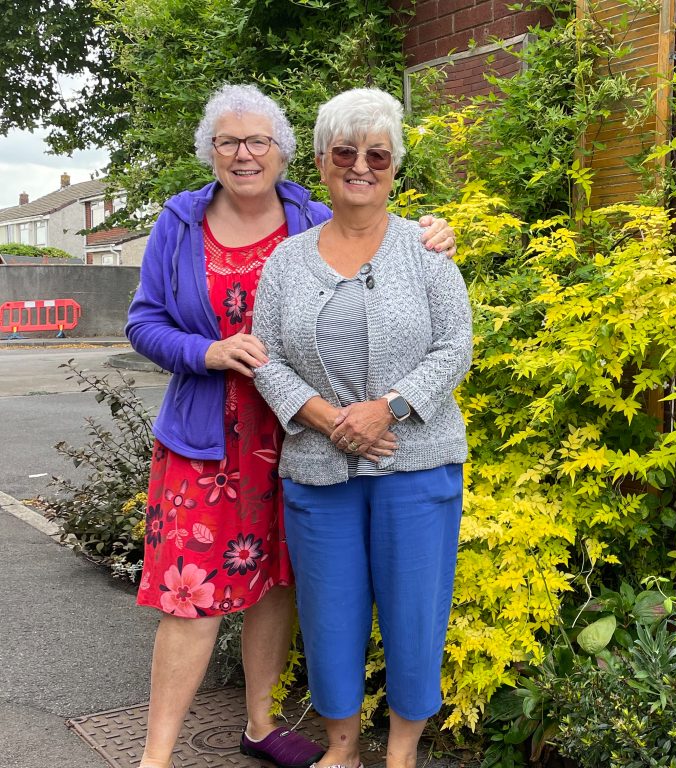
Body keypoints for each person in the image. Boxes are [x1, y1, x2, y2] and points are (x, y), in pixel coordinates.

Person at [125, 83, 457, 768]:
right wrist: (211, 353)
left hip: (298, 444)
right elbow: (148, 322)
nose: (243, 154)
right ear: (210, 151)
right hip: (222, 435)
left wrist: (436, 234)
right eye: (228, 142)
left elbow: (436, 316)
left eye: (257, 142)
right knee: (196, 594)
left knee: (279, 585)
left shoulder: (319, 213)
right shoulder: (185, 223)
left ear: (283, 154)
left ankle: (260, 723)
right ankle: (155, 757)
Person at [251, 87, 472, 768]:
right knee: (330, 617)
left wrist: (390, 407)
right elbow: (266, 357)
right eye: (345, 152)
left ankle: (401, 753)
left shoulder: (426, 249)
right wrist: (324, 417)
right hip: (319, 472)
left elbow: (455, 344)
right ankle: (341, 749)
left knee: (414, 616)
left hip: (417, 464)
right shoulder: (287, 261)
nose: (361, 166)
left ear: (394, 165)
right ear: (321, 162)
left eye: (377, 154)